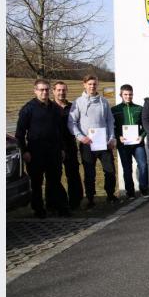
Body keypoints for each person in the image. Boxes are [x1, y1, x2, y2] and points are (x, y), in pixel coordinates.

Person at [16, 79, 69, 218]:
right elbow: (19, 134)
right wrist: (24, 151)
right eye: (41, 89)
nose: (44, 92)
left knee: (55, 181)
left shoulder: (55, 108)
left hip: (54, 151)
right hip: (35, 152)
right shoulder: (28, 109)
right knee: (37, 183)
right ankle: (38, 209)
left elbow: (60, 131)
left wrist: (62, 149)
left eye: (46, 89)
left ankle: (58, 206)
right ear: (35, 91)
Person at [69, 75, 118, 206]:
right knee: (89, 173)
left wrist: (112, 138)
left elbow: (110, 121)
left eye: (94, 84)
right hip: (87, 144)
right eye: (89, 84)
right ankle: (90, 198)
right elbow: (71, 122)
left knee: (110, 170)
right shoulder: (78, 102)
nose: (92, 86)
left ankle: (110, 195)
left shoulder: (104, 102)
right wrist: (81, 137)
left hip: (104, 143)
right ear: (84, 85)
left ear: (97, 85)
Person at [111, 84, 148, 199]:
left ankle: (144, 189)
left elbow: (145, 125)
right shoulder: (115, 110)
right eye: (125, 94)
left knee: (143, 165)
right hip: (123, 144)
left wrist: (142, 136)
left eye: (130, 94)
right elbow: (112, 127)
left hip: (138, 143)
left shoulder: (139, 108)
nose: (128, 96)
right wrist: (118, 136)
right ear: (121, 95)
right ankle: (130, 192)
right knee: (127, 168)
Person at [53, 81, 83, 209]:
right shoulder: (50, 107)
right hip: (55, 146)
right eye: (59, 90)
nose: (61, 92)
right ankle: (60, 202)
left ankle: (75, 202)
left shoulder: (73, 107)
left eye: (64, 90)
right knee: (55, 176)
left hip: (70, 145)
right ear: (54, 91)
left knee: (73, 174)